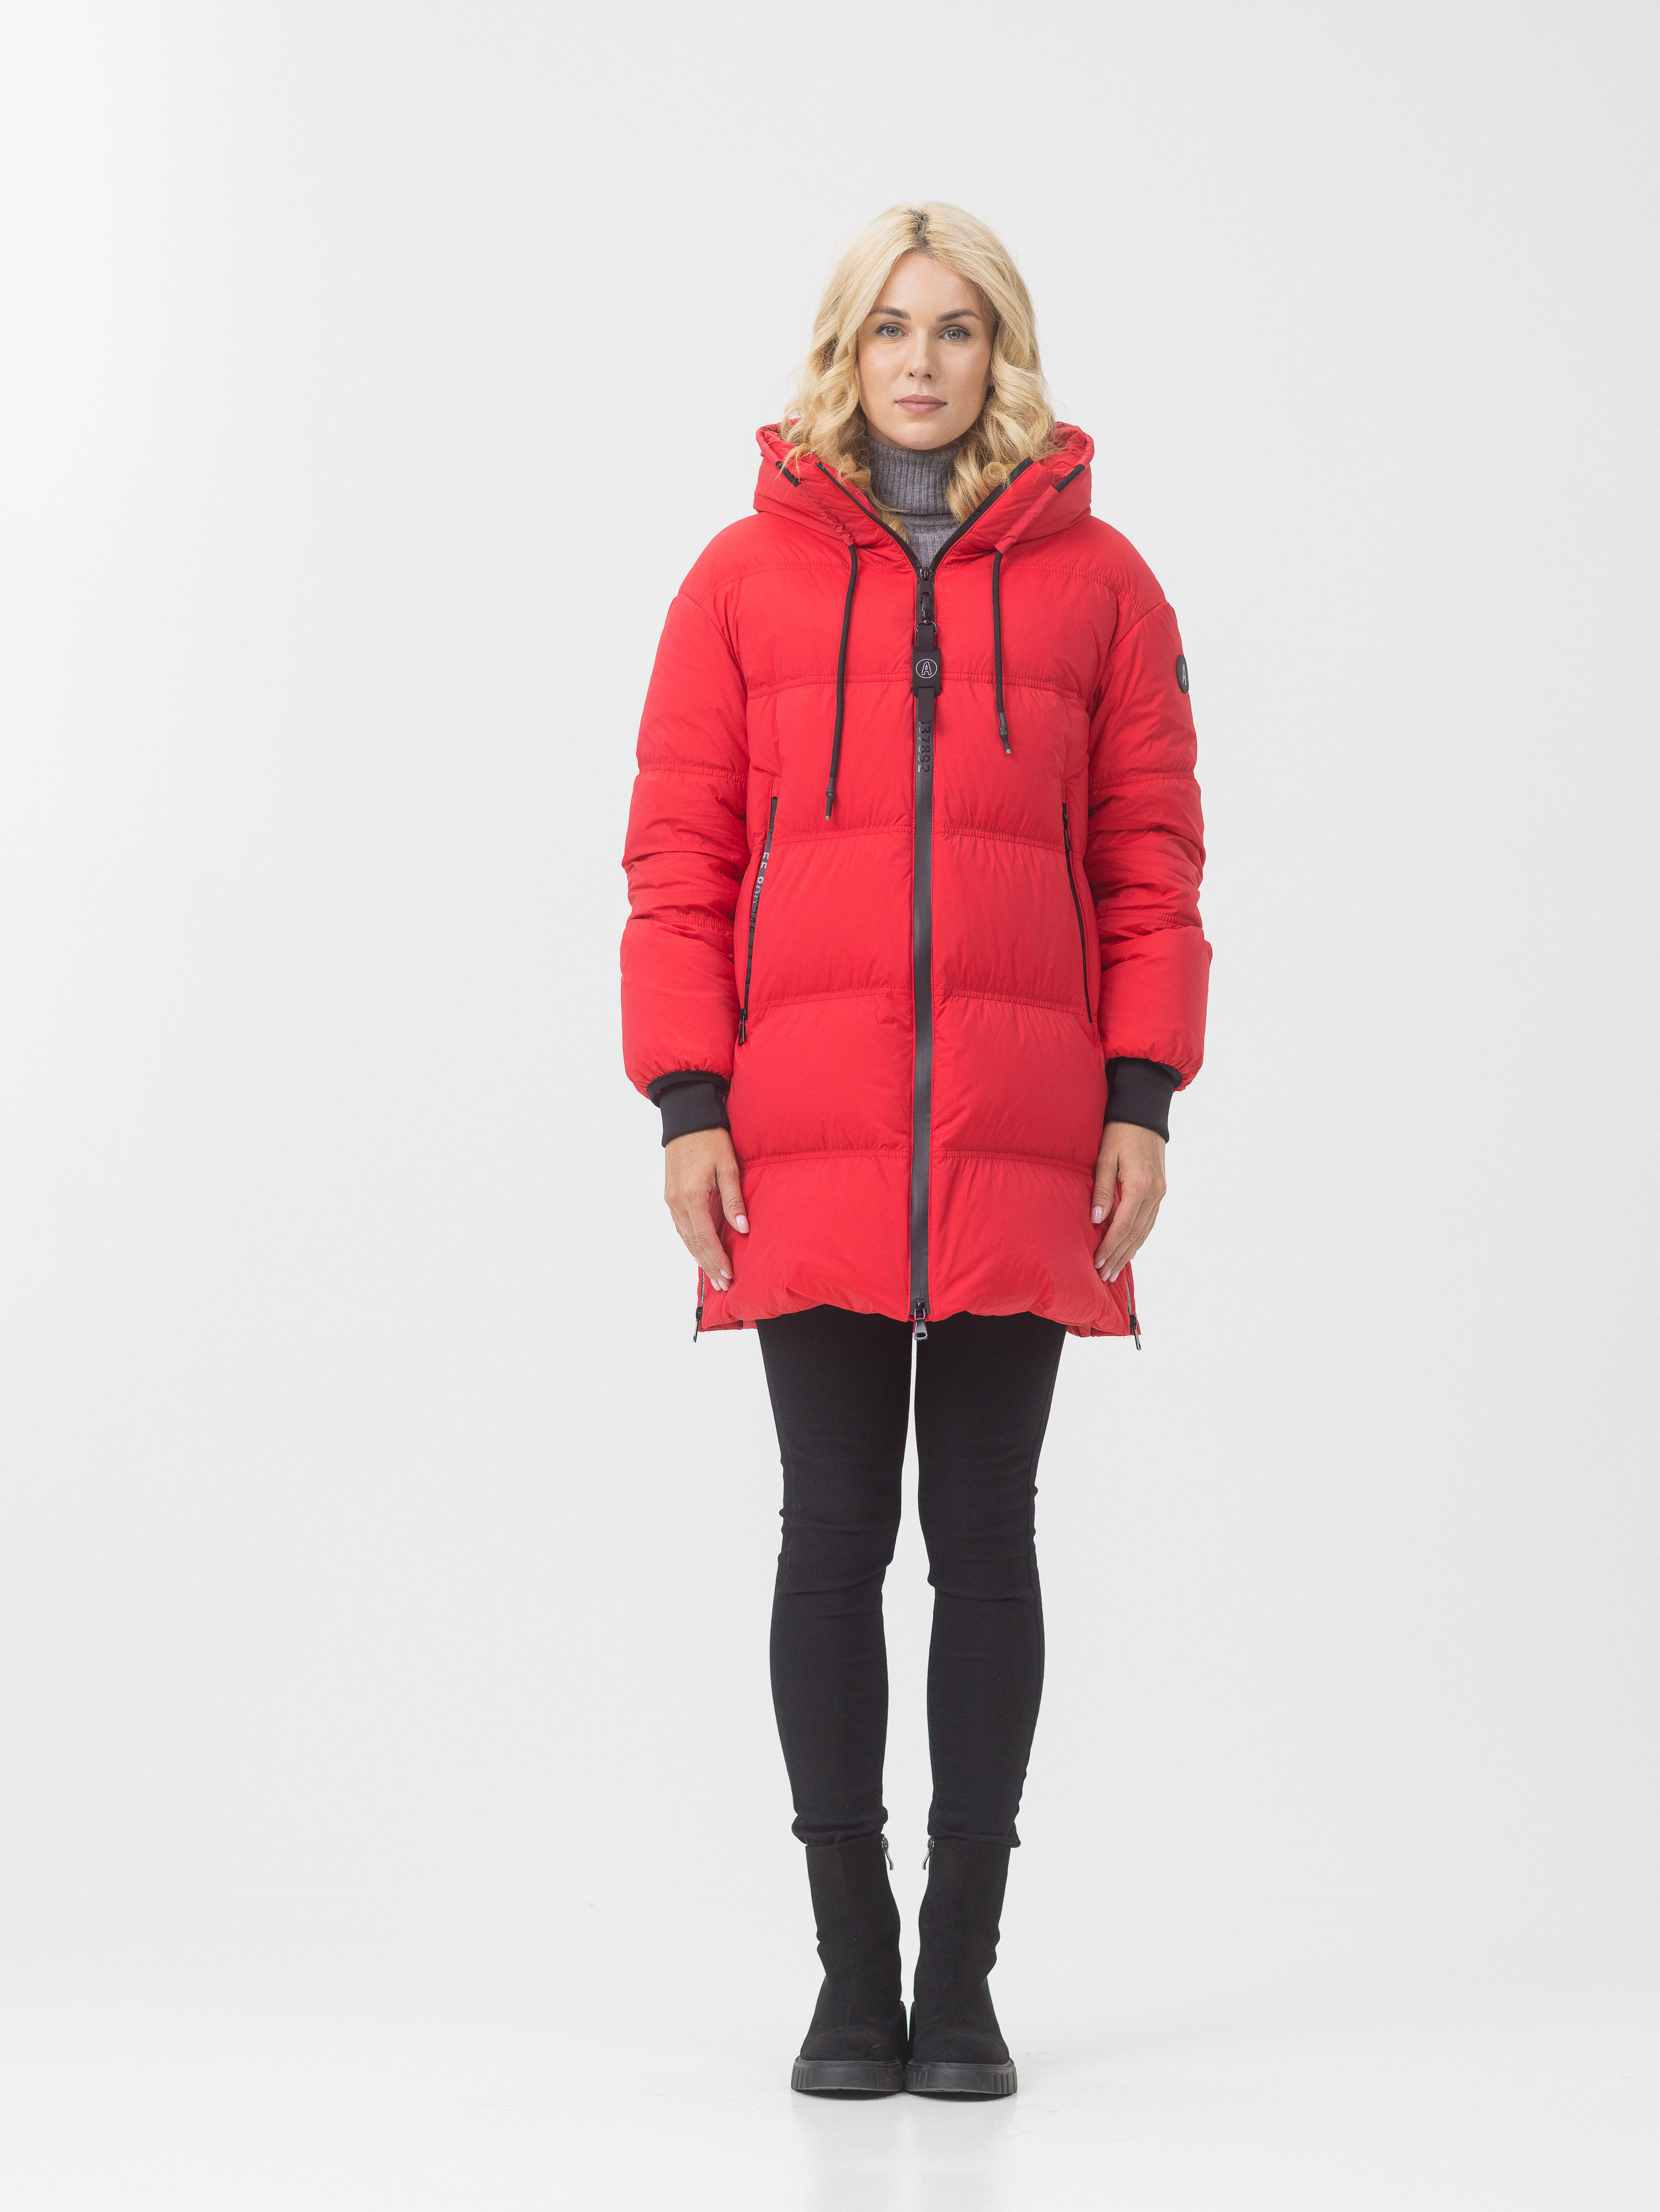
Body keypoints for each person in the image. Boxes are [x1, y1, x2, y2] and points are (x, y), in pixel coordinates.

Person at [620, 203, 1209, 2099]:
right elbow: (678, 861)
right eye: (891, 328)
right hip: (799, 1126)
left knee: (986, 1540)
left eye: (958, 329)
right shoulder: (739, 584)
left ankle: (959, 1979)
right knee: (830, 1536)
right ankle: (848, 1974)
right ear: (844, 351)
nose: (923, 361)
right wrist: (688, 1104)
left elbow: (1149, 860)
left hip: (1027, 1128)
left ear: (1000, 353)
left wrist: (1141, 1094)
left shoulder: (1103, 587)